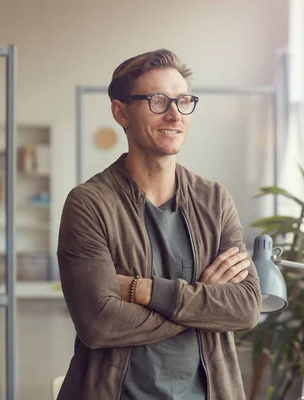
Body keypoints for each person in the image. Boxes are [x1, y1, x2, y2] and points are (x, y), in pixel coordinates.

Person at [56, 49, 261, 400]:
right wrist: (202, 298)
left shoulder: (214, 200)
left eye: (183, 101)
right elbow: (100, 324)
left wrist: (144, 291)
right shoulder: (89, 203)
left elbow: (244, 306)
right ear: (121, 112)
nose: (174, 114)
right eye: (157, 101)